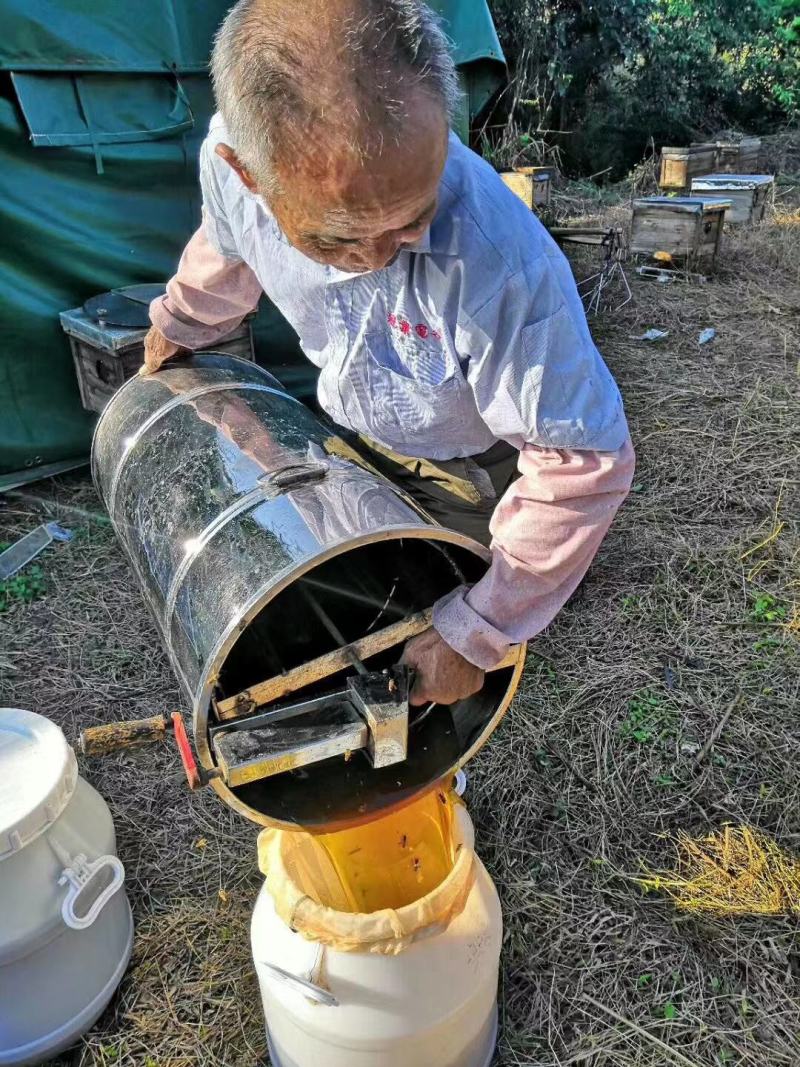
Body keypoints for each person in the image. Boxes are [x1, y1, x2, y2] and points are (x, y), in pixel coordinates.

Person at [143, 0, 635, 708]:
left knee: (441, 679)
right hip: (347, 445)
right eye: (336, 237)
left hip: (475, 471)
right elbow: (223, 251)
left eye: (412, 219)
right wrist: (179, 323)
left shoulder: (499, 260)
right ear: (248, 175)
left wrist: (478, 625)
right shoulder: (230, 173)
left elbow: (582, 460)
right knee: (360, 623)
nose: (375, 257)